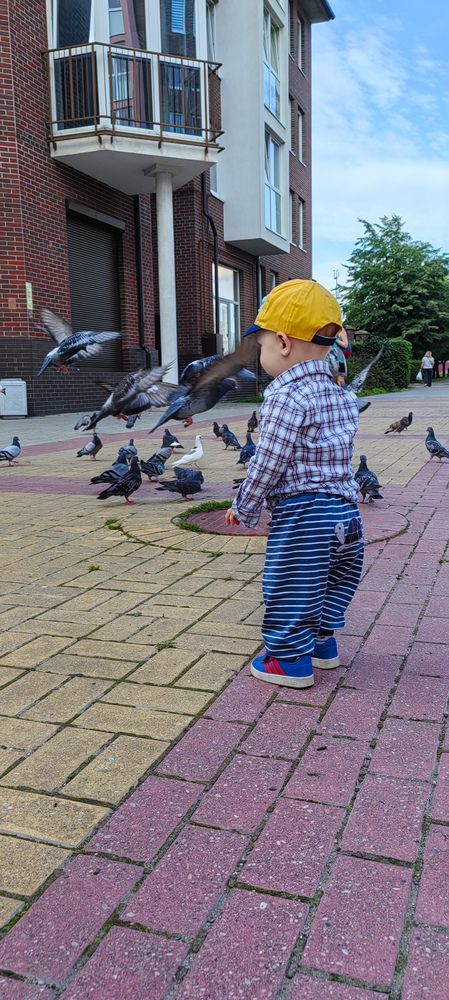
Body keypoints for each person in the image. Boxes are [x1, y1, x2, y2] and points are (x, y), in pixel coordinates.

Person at [225, 279, 364, 689]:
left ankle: (288, 662)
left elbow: (269, 461)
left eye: (263, 345)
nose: (263, 353)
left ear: (283, 343)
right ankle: (322, 646)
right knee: (330, 580)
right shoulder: (341, 394)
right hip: (347, 514)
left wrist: (245, 505)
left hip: (305, 515)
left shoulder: (285, 396)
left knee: (291, 585)